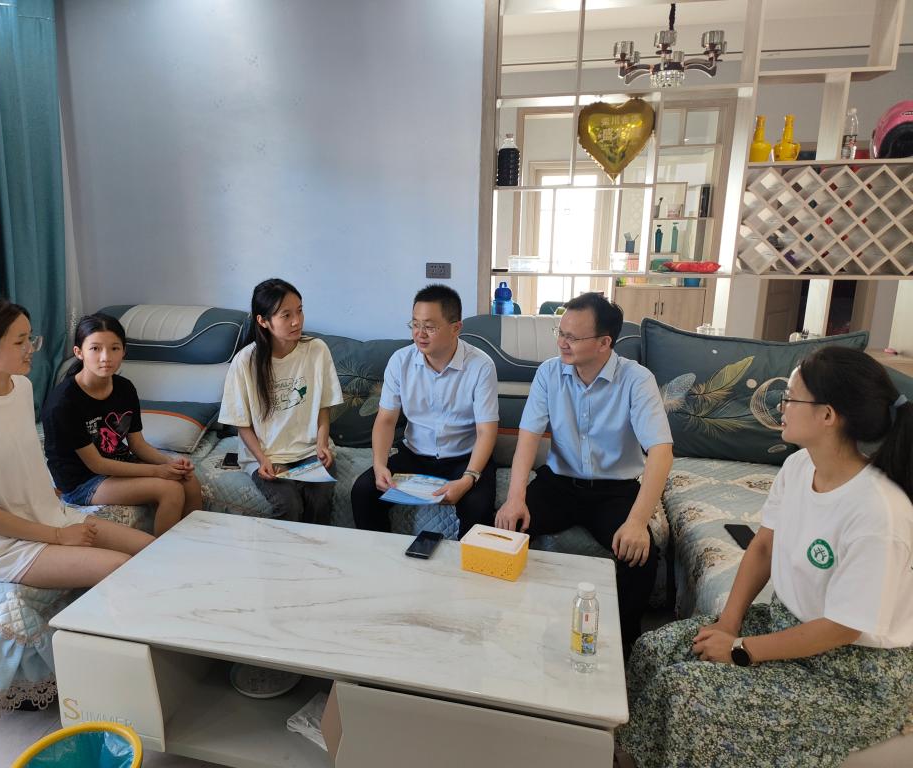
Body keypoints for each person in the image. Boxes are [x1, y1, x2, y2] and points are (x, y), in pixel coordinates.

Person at [617, 347, 913, 768]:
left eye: (790, 398)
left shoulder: (879, 513)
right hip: (785, 623)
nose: (780, 407)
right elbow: (762, 547)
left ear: (828, 415)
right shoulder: (798, 468)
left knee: (687, 692)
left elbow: (843, 627)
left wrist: (740, 649)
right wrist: (728, 622)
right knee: (654, 649)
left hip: (853, 675)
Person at [0, 298, 153, 588]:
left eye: (30, 338)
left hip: (47, 516)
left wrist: (47, 504)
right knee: (122, 569)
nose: (31, 348)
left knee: (154, 550)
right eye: (19, 341)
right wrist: (58, 537)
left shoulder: (21, 387)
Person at [495, 292, 673, 654]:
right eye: (560, 333)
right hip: (559, 484)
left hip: (615, 489)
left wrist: (637, 522)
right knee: (503, 531)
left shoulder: (636, 380)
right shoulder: (549, 373)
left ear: (604, 343)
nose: (562, 343)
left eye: (572, 337)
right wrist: (515, 498)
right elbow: (528, 439)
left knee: (641, 557)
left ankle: (623, 648)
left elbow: (661, 452)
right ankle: (505, 628)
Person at [351, 284, 498, 538]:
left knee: (477, 506)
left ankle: (465, 564)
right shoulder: (400, 361)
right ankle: (380, 556)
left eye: (429, 327)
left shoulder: (481, 366)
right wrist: (379, 465)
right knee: (363, 491)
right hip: (415, 455)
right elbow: (386, 420)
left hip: (464, 456)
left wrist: (467, 479)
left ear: (456, 328)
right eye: (415, 324)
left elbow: (486, 431)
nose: (420, 334)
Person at [42, 313, 204, 536]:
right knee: (170, 490)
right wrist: (158, 472)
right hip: (82, 481)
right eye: (95, 348)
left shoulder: (124, 388)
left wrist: (171, 463)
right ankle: (164, 554)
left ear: (124, 351)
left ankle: (196, 544)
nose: (105, 357)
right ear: (79, 352)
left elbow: (137, 444)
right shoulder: (63, 402)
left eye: (114, 348)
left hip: (117, 463)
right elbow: (97, 464)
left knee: (189, 480)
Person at [219, 278, 343, 523]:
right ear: (263, 321)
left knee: (319, 499)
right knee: (289, 504)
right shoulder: (245, 361)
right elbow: (241, 423)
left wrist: (322, 444)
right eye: (286, 315)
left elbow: (323, 406)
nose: (297, 321)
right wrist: (262, 459)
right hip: (267, 454)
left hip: (310, 451)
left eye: (299, 311)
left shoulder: (317, 350)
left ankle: (317, 548)